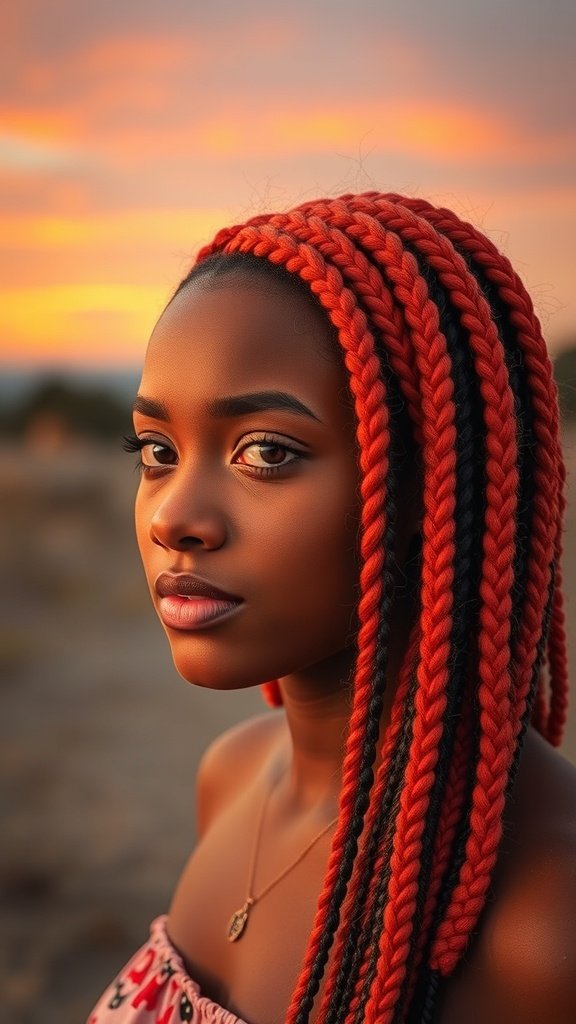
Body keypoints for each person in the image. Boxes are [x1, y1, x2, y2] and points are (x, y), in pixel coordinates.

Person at [87, 192, 575, 1024]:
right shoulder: (231, 776)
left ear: (431, 488)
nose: (173, 517)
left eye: (266, 452)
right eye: (157, 450)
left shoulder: (545, 926)